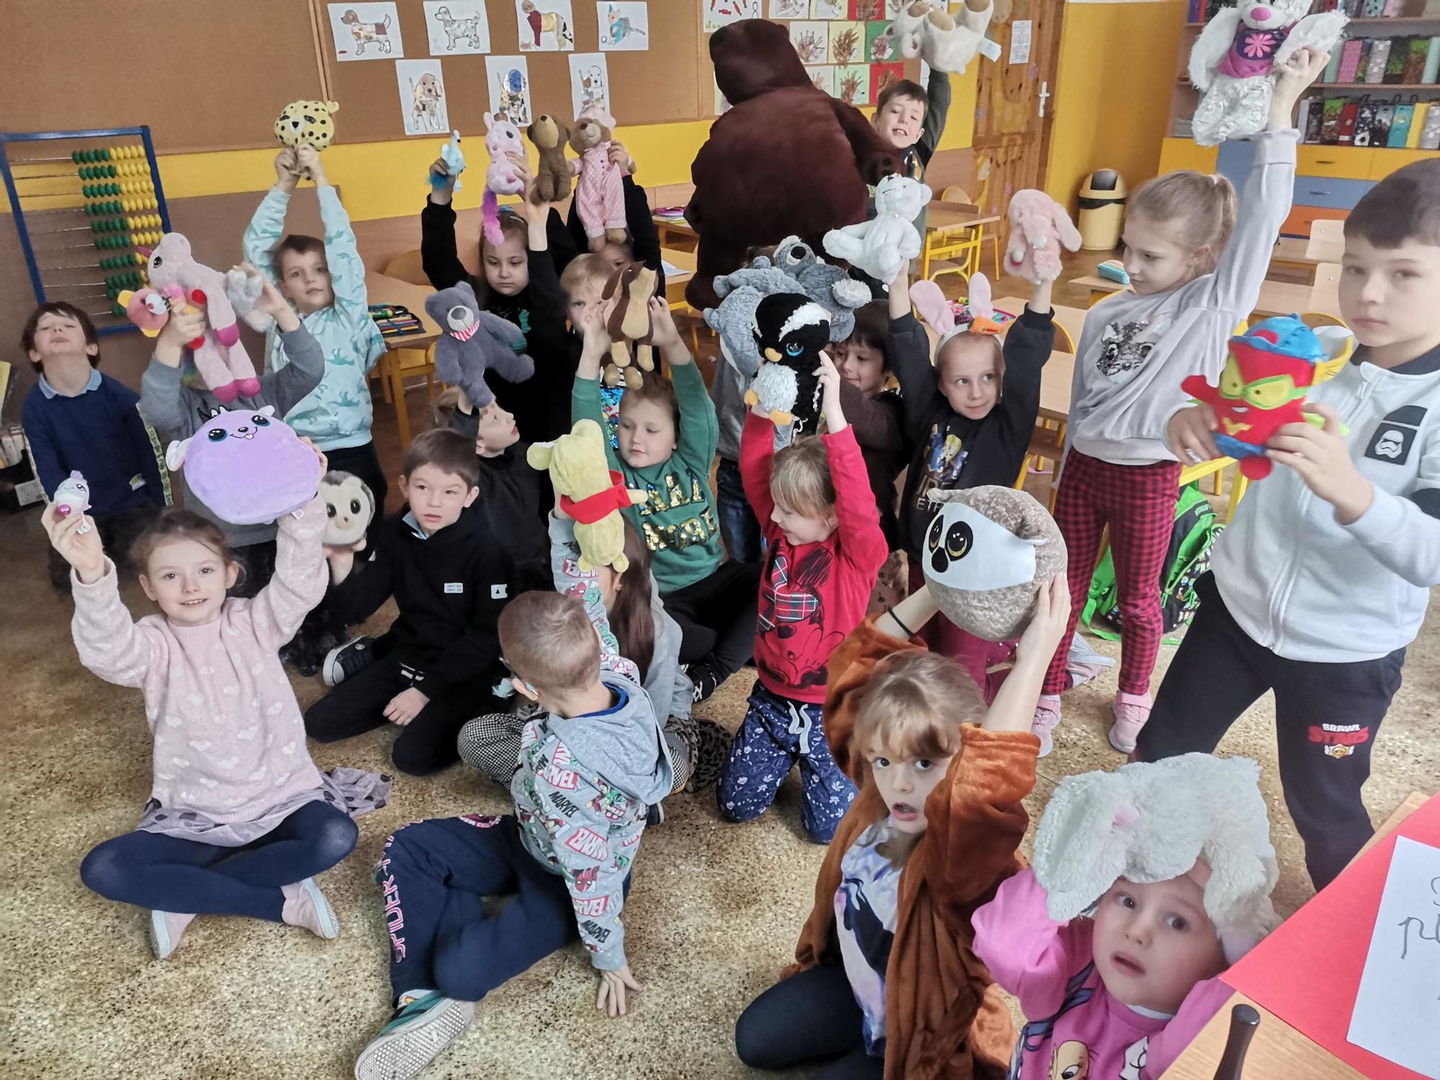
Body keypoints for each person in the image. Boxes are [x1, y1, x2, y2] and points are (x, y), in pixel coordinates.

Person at [1137, 157, 1440, 890]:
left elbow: (1430, 554)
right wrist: (1191, 420)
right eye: (1356, 267)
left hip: (1345, 652)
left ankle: (1352, 936)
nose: (1368, 293)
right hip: (1234, 613)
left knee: (1325, 811)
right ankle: (1126, 885)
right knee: (1159, 755)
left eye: (1404, 274)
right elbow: (1234, 419)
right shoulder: (1315, 362)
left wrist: (1353, 493)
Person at [1033, 47, 1329, 757]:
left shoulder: (1211, 304)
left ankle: (1135, 697)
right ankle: (1044, 693)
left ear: (1198, 258)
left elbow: (1264, 217)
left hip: (1148, 475)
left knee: (1140, 601)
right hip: (1084, 471)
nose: (1130, 265)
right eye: (1128, 248)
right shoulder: (1107, 311)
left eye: (1151, 256)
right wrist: (1063, 468)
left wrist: (1280, 113)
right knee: (1062, 589)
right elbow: (1085, 402)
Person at [48, 448, 388, 960]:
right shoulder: (152, 643)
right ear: (147, 587)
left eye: (205, 570)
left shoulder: (256, 621)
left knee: (336, 836)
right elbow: (108, 653)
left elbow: (300, 583)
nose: (190, 586)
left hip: (282, 799)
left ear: (230, 574)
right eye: (170, 576)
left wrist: (300, 497)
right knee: (102, 868)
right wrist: (92, 573)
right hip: (196, 816)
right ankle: (273, 901)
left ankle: (180, 894)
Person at [734, 575, 1070, 1078]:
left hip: (920, 1038)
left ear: (964, 760)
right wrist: (940, 588)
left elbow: (986, 786)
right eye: (884, 761)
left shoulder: (963, 857)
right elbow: (855, 666)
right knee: (753, 1041)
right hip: (858, 988)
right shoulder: (879, 797)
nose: (900, 785)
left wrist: (1036, 656)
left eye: (925, 763)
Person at [351, 588, 674, 1079]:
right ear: (594, 643)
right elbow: (586, 600)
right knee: (406, 845)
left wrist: (609, 956)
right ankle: (420, 994)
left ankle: (422, 991)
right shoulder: (619, 671)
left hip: (572, 884)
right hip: (529, 835)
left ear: (525, 687)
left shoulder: (564, 771)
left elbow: (591, 875)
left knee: (458, 973)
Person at [972, 754, 1279, 1079]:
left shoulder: (1183, 1046)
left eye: (1177, 922)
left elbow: (1237, 1005)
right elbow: (1003, 944)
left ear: (1225, 956)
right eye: (1127, 900)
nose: (1137, 931)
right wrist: (1073, 868)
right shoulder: (1076, 968)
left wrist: (1243, 946)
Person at [303, 429, 546, 776]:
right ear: (404, 486)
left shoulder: (489, 551)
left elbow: (485, 637)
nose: (434, 502)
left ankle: (491, 698)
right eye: (422, 488)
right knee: (320, 724)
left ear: (469, 496)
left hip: (469, 668)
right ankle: (378, 651)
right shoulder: (394, 532)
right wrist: (341, 566)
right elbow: (356, 608)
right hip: (410, 653)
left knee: (412, 757)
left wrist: (424, 692)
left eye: (450, 492)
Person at [717, 354, 888, 843]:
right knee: (734, 806)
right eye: (777, 507)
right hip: (771, 701)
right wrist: (760, 406)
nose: (775, 517)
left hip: (833, 712)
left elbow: (857, 500)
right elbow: (755, 468)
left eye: (790, 511)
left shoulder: (858, 554)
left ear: (831, 515)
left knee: (825, 832)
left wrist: (835, 414)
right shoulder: (780, 530)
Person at [458, 513, 730, 805]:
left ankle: (585, 791)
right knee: (473, 735)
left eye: (588, 570)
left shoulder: (658, 633)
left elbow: (649, 725)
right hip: (572, 717)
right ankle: (587, 792)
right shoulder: (566, 616)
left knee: (670, 768)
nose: (580, 577)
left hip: (640, 729)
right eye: (574, 570)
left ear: (619, 578)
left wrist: (594, 746)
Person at [572, 296, 759, 701]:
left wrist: (672, 342)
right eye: (626, 426)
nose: (636, 438)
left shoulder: (692, 458)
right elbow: (586, 421)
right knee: (654, 638)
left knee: (772, 579)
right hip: (664, 600)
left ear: (676, 436)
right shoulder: (616, 474)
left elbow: (697, 405)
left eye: (652, 430)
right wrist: (590, 353)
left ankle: (715, 670)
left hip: (716, 580)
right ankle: (739, 645)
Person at [889, 265, 1056, 701]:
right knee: (921, 652)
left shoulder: (1008, 426)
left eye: (988, 378)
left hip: (977, 576)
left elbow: (1026, 358)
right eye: (961, 381)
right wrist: (897, 281)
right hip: (925, 560)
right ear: (941, 385)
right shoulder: (929, 412)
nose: (977, 392)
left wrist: (1042, 284)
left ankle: (974, 719)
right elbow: (908, 351)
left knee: (962, 669)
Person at [138, 266, 323, 597]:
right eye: (196, 342)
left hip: (284, 529)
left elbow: (310, 369)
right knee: (238, 616)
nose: (209, 351)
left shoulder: (262, 393)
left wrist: (281, 310)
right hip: (223, 541)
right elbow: (155, 405)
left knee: (297, 604)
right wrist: (170, 341)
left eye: (218, 338)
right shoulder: (185, 408)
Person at [241, 145, 388, 517]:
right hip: (299, 448)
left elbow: (343, 248)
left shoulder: (348, 316)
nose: (310, 279)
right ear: (283, 286)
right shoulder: (280, 319)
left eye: (319, 269)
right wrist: (284, 185)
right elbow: (255, 250)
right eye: (296, 273)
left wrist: (321, 178)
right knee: (309, 532)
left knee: (365, 529)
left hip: (354, 447)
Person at [20, 301, 167, 592]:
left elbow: (149, 450)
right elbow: (45, 467)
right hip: (80, 510)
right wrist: (65, 511)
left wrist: (162, 504)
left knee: (150, 562)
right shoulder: (34, 408)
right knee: (68, 581)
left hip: (132, 502)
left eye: (67, 325)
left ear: (91, 347)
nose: (57, 330)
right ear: (34, 353)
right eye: (46, 328)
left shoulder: (120, 396)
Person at [423, 152, 571, 442]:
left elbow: (551, 304)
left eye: (515, 262)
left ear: (531, 259)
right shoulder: (473, 298)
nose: (504, 273)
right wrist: (440, 196)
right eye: (493, 262)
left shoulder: (545, 295)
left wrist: (537, 218)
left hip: (548, 425)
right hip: (494, 430)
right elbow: (438, 262)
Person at [829, 301, 908, 550]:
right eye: (841, 354)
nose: (847, 366)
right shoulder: (830, 396)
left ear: (889, 366)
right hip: (830, 524)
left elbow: (864, 420)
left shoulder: (892, 410)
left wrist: (828, 377)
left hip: (873, 535)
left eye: (861, 358)